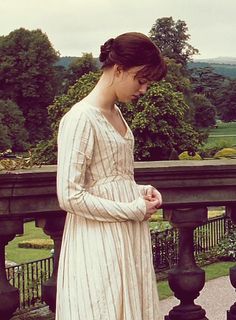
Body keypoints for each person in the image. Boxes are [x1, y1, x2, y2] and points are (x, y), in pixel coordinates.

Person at [56, 32, 167, 320]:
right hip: (97, 241)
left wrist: (139, 190)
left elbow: (110, 178)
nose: (143, 89)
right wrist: (130, 209)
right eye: (140, 80)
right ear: (118, 70)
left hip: (126, 236)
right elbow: (69, 194)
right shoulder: (80, 118)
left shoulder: (117, 114)